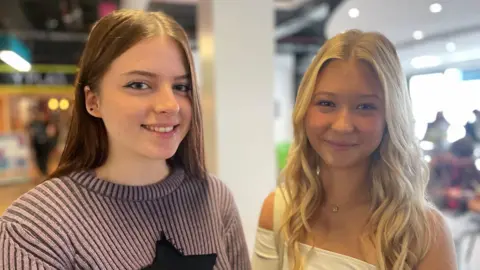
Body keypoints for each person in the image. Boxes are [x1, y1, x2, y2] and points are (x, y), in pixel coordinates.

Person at [0, 9, 250, 270]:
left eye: (181, 87)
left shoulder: (215, 199)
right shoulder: (32, 230)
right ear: (93, 101)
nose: (170, 105)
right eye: (139, 85)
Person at [252, 30, 456, 270]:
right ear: (304, 110)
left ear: (391, 117)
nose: (342, 125)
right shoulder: (279, 211)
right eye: (326, 103)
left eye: (365, 106)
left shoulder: (423, 233)